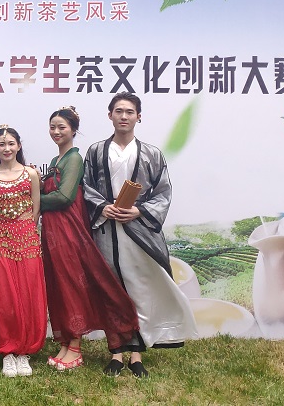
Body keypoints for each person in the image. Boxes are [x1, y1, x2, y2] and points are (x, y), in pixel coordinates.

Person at [83, 93, 198, 378]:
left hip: (139, 232)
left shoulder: (152, 154)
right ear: (109, 115)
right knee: (112, 289)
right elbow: (86, 187)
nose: (124, 116)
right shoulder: (95, 151)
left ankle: (136, 354)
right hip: (107, 229)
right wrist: (103, 207)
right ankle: (116, 352)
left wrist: (139, 211)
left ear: (139, 117)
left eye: (129, 112)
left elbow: (163, 192)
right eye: (118, 111)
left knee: (139, 289)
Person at [39, 107, 139, 374]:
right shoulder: (56, 159)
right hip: (53, 232)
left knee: (71, 284)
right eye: (53, 127)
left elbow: (64, 198)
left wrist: (34, 200)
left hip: (68, 231)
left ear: (73, 130)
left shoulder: (74, 158)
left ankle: (75, 348)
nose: (56, 132)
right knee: (60, 284)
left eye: (62, 127)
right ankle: (65, 344)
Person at [0, 125, 45, 377]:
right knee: (7, 297)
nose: (6, 148)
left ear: (18, 146)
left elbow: (36, 209)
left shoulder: (31, 174)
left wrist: (25, 229)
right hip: (3, 241)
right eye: (1, 144)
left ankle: (24, 351)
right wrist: (0, 231)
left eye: (11, 143)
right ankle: (8, 351)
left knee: (29, 294)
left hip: (28, 240)